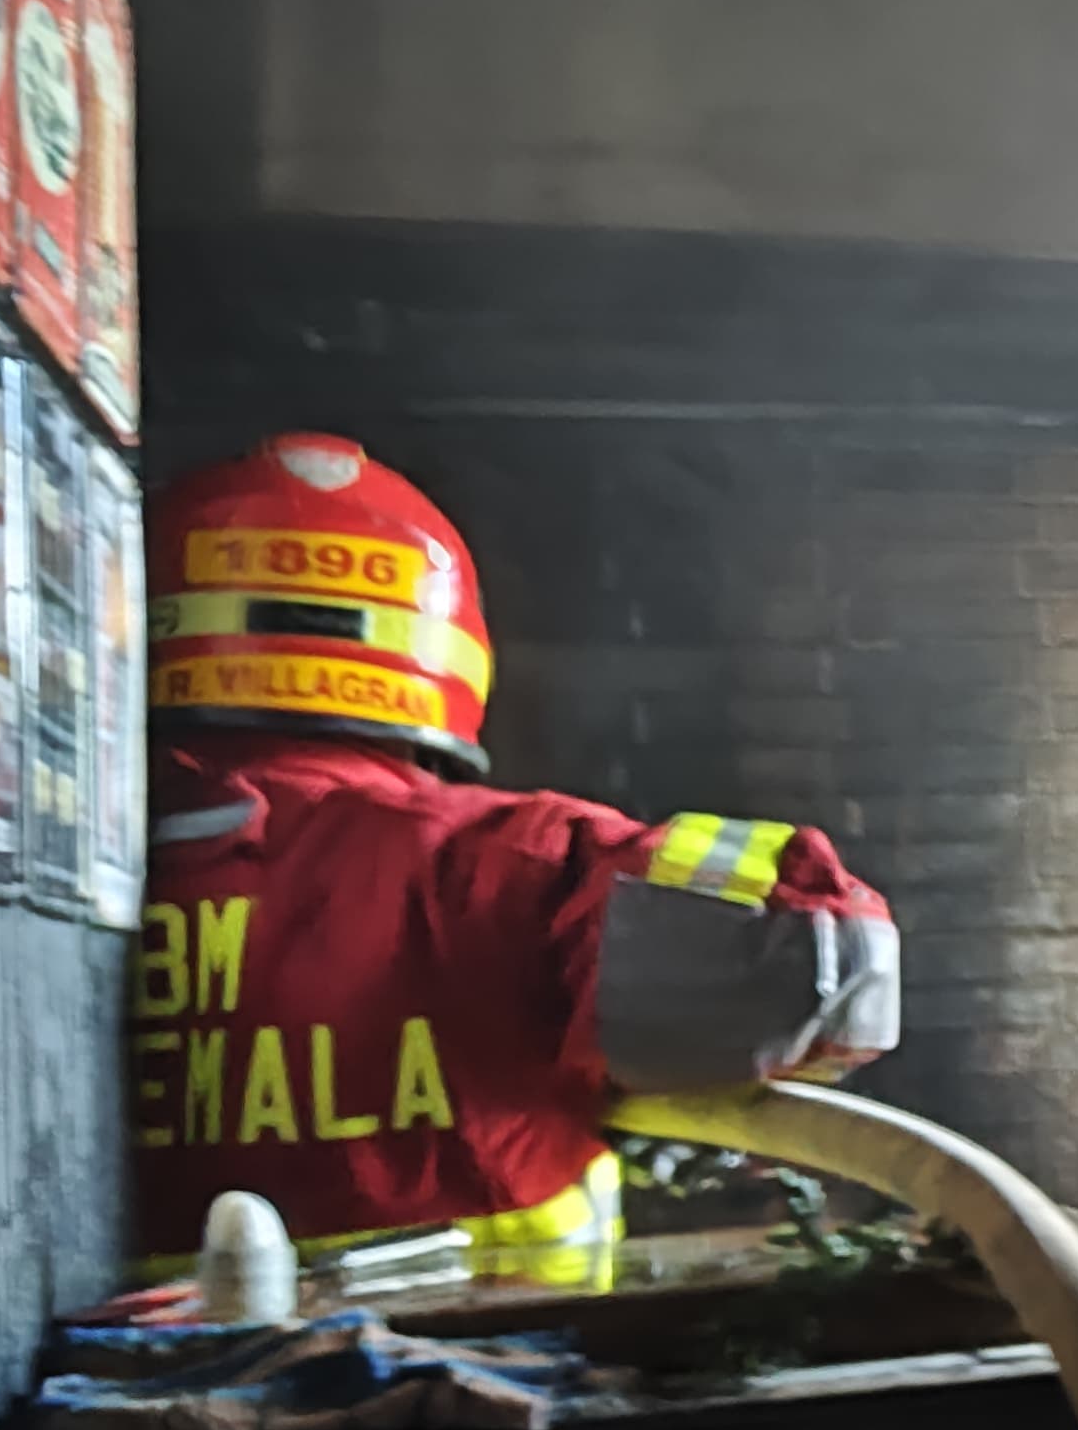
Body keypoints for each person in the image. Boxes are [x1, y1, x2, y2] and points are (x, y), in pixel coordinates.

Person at [133, 432, 899, 1282]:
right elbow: (829, 953)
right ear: (442, 648)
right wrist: (661, 1068)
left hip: (94, 1395)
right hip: (501, 1373)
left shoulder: (63, 879)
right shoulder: (506, 863)